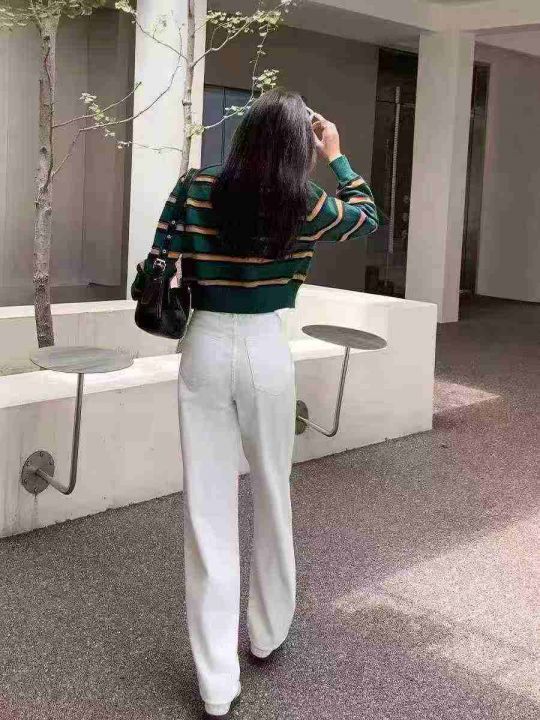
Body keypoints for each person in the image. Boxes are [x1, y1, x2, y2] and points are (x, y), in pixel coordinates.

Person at [150, 88, 378, 717]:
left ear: (247, 132)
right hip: (265, 350)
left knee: (206, 508)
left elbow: (160, 255)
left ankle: (216, 685)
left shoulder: (195, 186)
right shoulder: (303, 201)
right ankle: (268, 632)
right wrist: (337, 155)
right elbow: (368, 218)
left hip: (203, 345)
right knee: (273, 493)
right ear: (299, 143)